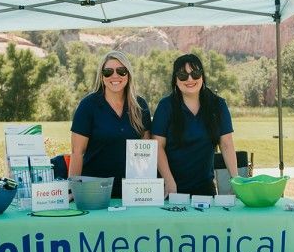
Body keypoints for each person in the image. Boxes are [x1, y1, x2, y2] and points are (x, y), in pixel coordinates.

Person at [69, 50, 152, 198]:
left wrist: (148, 189)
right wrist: (73, 189)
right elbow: (77, 152)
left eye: (121, 71)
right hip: (94, 191)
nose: (115, 76)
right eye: (108, 71)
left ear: (128, 74)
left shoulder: (140, 106)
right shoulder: (88, 106)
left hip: (132, 192)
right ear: (101, 76)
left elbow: (146, 153)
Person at [153, 53, 237, 197]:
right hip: (172, 189)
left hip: (205, 189)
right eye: (183, 75)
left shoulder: (218, 105)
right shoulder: (165, 106)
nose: (190, 79)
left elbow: (226, 144)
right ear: (175, 79)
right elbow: (157, 146)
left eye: (195, 73)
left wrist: (236, 181)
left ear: (202, 76)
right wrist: (169, 181)